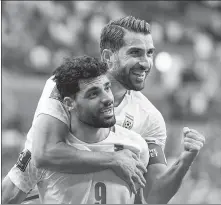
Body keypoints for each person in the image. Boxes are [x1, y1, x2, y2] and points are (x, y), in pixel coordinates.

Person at [2, 16, 205, 204]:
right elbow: (44, 153)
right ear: (108, 56)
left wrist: (184, 161)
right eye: (135, 52)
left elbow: (154, 196)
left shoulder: (149, 118)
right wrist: (113, 159)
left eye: (150, 53)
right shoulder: (65, 85)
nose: (145, 63)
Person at [33, 55, 150, 203]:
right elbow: (8, 195)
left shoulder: (136, 146)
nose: (107, 98)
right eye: (94, 94)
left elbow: (138, 199)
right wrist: (113, 159)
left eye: (107, 88)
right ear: (69, 103)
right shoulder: (45, 155)